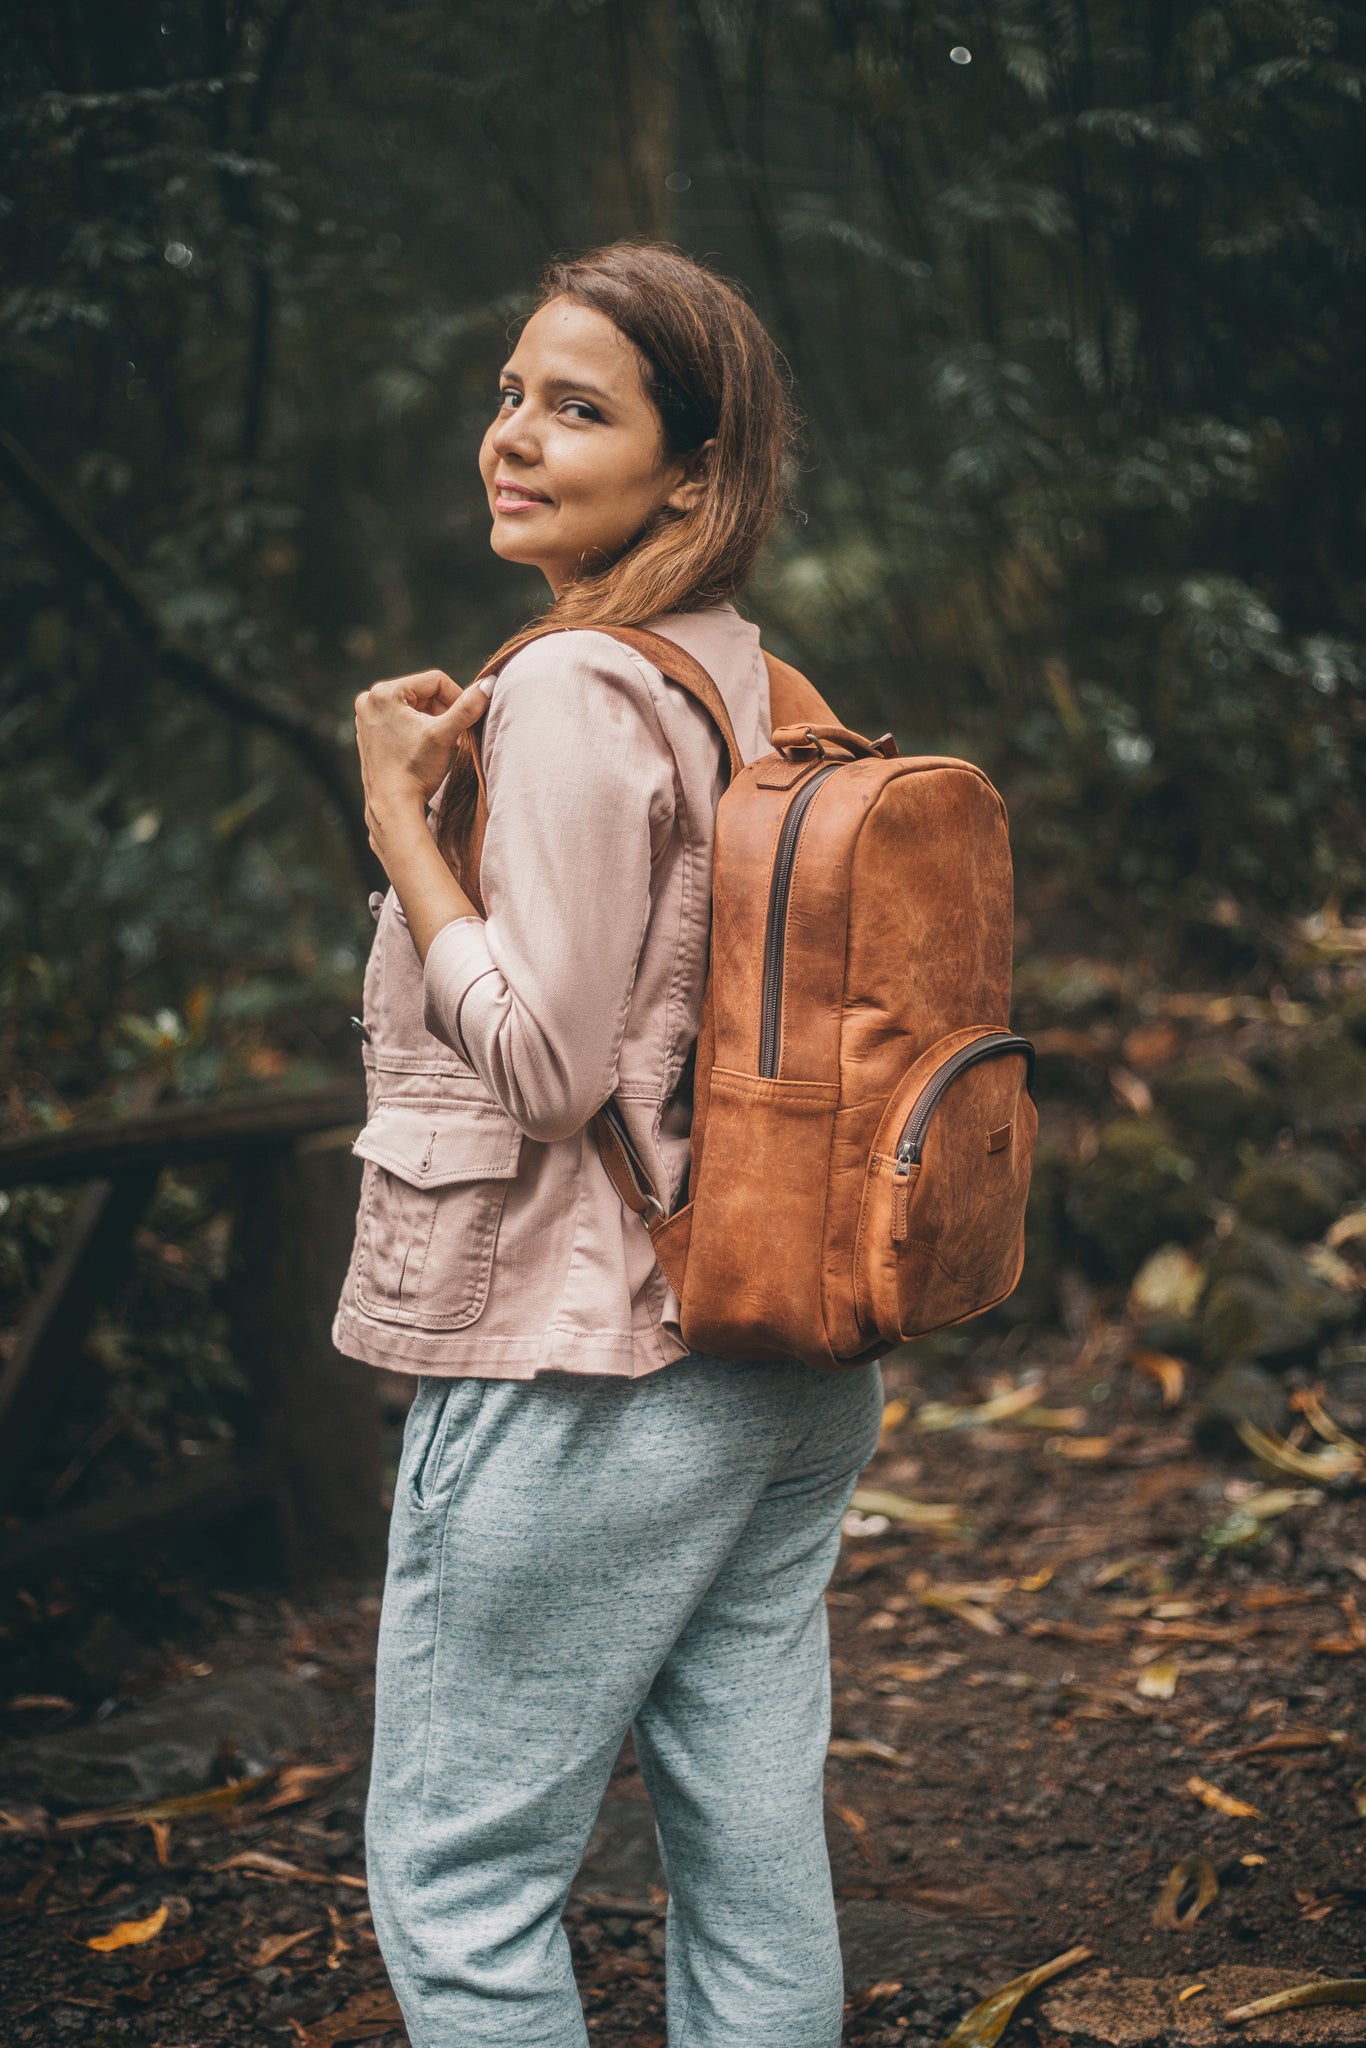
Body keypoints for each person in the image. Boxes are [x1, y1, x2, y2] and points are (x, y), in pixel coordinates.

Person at [335, 242, 883, 2048]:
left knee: (462, 1875)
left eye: (578, 408)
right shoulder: (752, 676)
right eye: (510, 394)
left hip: (591, 1363)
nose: (514, 436)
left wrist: (401, 826)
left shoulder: (576, 685)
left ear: (694, 474)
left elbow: (548, 1072)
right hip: (780, 1351)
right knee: (747, 1851)